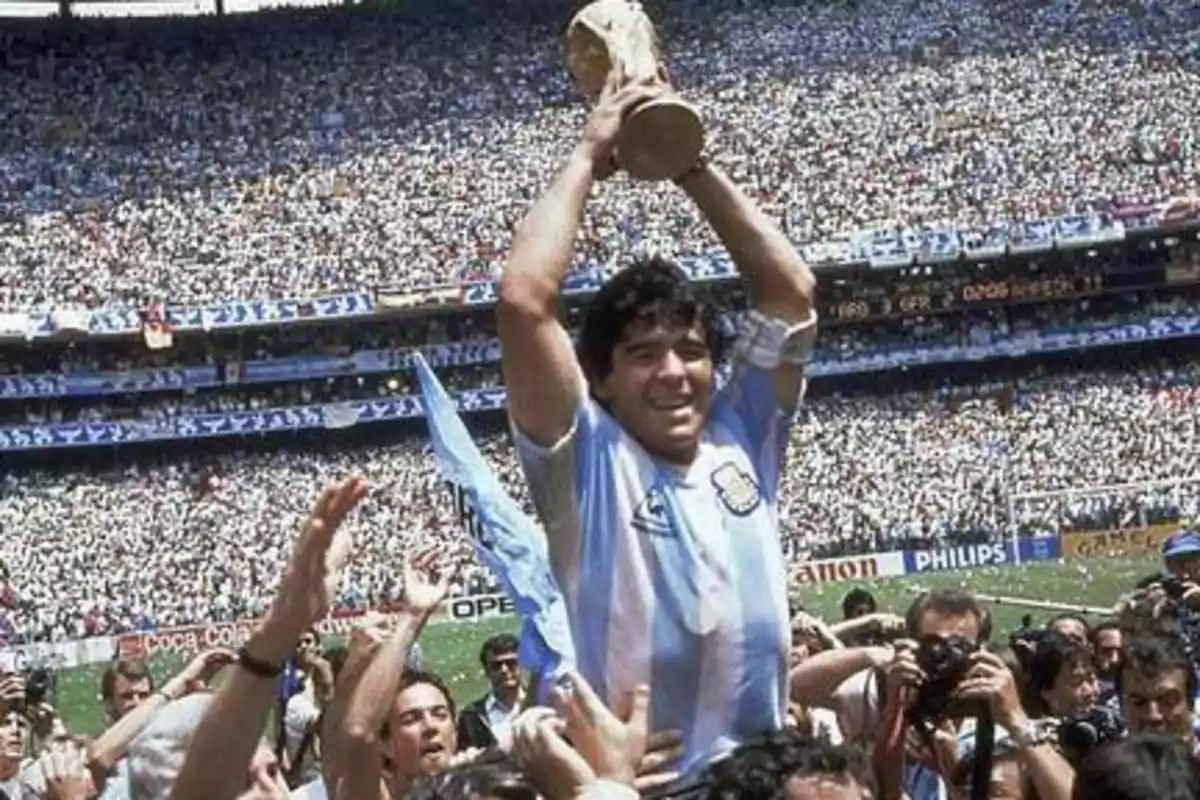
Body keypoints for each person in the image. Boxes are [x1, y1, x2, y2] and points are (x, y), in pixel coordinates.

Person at [496, 71, 817, 772]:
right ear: (601, 378)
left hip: (768, 779)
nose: (674, 372)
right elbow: (524, 298)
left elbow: (789, 291)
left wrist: (687, 158)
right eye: (644, 355)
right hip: (653, 787)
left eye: (693, 351)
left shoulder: (744, 436)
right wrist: (587, 155)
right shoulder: (584, 460)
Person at [458, 634, 524, 750]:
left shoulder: (542, 704)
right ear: (487, 671)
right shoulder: (471, 716)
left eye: (510, 663)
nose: (504, 670)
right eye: (496, 666)